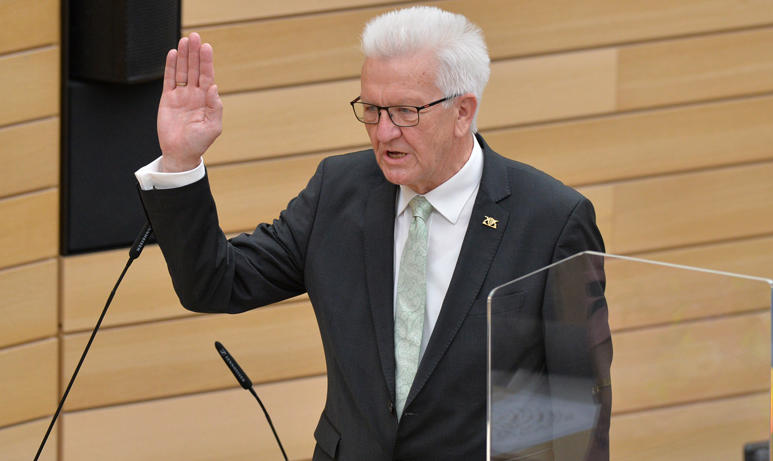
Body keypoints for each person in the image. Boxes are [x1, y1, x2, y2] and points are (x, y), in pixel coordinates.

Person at [136, 6, 610, 460]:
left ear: (463, 111)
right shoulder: (338, 191)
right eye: (371, 109)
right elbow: (216, 283)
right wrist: (181, 161)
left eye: (405, 112)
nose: (383, 133)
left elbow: (574, 410)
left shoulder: (551, 221)